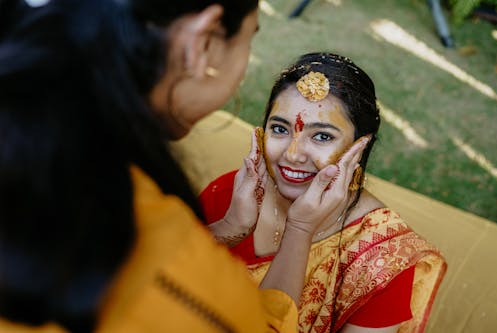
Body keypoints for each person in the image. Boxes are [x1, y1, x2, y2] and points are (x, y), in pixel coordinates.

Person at [0, 2, 364, 333]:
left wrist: (226, 229)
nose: (295, 154)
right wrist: (299, 230)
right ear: (202, 42)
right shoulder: (191, 286)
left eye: (322, 136)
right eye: (248, 40)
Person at [200, 53, 447, 333]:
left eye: (322, 136)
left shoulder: (381, 256)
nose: (292, 155)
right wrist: (230, 228)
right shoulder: (231, 195)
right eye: (279, 129)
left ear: (359, 148)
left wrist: (300, 227)